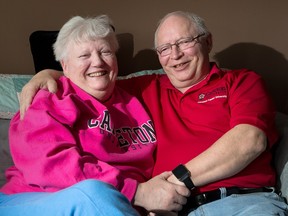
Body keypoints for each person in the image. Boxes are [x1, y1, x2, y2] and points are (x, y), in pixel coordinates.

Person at [18, 11, 288, 215]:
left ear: (207, 41)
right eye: (165, 49)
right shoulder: (146, 88)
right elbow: (93, 77)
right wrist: (49, 73)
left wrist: (169, 184)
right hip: (171, 210)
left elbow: (248, 141)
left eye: (185, 42)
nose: (176, 55)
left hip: (240, 203)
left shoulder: (241, 82)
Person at [0, 14, 175, 216]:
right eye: (84, 56)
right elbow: (53, 165)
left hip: (117, 206)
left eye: (105, 52)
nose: (98, 62)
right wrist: (137, 192)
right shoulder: (48, 99)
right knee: (93, 193)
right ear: (64, 66)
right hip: (33, 199)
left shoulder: (135, 96)